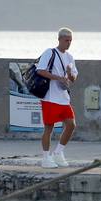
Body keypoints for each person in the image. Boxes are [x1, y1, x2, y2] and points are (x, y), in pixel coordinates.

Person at [36, 28, 78, 168]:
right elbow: (40, 70)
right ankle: (46, 157)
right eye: (66, 40)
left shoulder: (70, 57)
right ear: (59, 39)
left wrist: (69, 74)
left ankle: (58, 152)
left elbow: (74, 77)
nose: (68, 43)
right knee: (49, 127)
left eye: (70, 40)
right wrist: (58, 78)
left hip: (63, 98)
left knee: (71, 125)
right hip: (50, 97)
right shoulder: (50, 53)